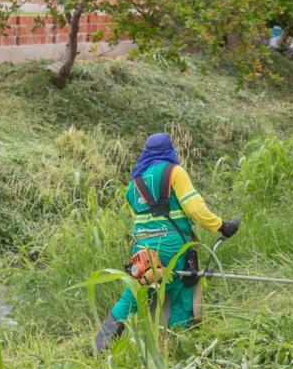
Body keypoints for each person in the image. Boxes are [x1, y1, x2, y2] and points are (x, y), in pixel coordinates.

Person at [96, 132, 239, 351]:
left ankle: (100, 344)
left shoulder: (134, 183)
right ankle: (178, 345)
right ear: (169, 151)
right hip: (172, 246)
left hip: (142, 247)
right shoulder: (174, 172)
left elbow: (138, 210)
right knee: (181, 291)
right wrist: (221, 226)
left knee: (133, 295)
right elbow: (194, 207)